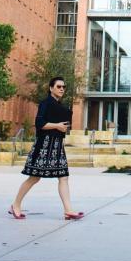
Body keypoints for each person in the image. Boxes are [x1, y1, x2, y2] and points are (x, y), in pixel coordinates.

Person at [9, 77, 84, 220]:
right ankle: (15, 205)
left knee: (63, 177)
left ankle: (68, 210)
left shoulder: (61, 106)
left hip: (57, 145)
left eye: (64, 87)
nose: (62, 89)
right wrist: (57, 126)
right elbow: (39, 123)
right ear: (51, 88)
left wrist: (62, 127)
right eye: (58, 86)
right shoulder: (45, 103)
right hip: (43, 145)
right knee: (34, 177)